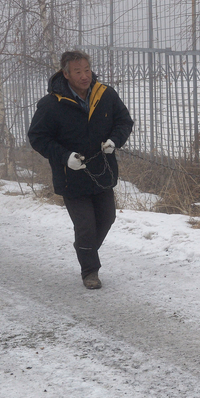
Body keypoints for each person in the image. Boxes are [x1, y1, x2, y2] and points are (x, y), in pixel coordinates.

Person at [28, 50, 134, 289]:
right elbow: (37, 137)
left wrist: (114, 140)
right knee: (85, 225)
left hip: (102, 172)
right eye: (78, 72)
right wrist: (65, 157)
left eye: (87, 69)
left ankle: (84, 249)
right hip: (71, 177)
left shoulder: (106, 95)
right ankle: (90, 272)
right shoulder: (51, 105)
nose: (85, 75)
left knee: (107, 218)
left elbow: (124, 121)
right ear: (66, 74)